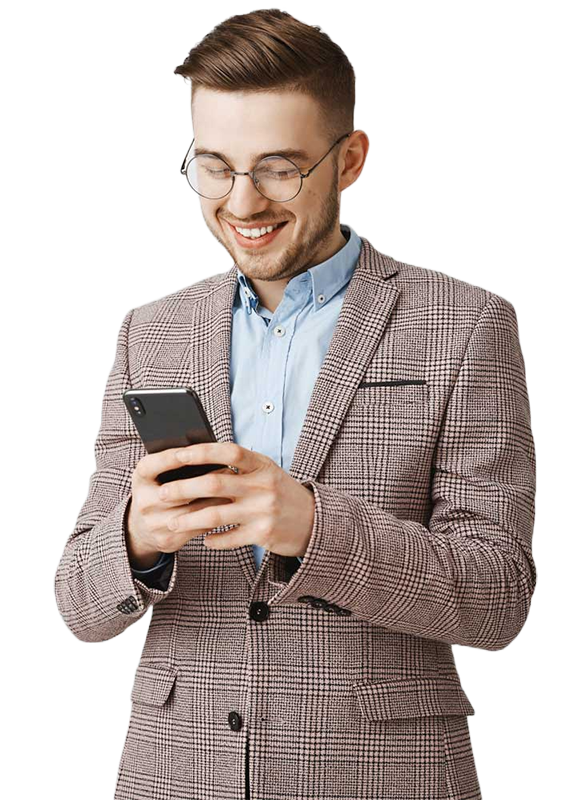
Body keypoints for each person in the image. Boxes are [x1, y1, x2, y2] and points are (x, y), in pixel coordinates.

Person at [53, 9, 537, 800]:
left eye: (279, 168)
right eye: (214, 166)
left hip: (379, 776)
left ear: (348, 160)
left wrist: (313, 526)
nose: (242, 203)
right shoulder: (151, 333)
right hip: (176, 773)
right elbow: (80, 604)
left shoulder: (465, 323)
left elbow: (495, 598)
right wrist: (136, 539)